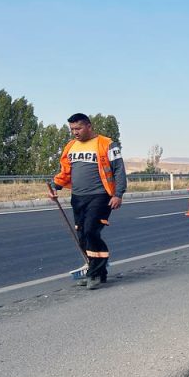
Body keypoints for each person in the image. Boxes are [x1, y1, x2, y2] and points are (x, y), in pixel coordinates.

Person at [48, 113, 127, 289]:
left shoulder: (106, 144)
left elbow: (119, 170)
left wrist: (118, 194)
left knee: (91, 231)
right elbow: (65, 171)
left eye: (78, 128)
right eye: (72, 129)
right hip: (78, 197)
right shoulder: (71, 146)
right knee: (82, 235)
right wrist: (55, 187)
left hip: (100, 196)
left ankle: (95, 273)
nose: (75, 132)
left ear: (89, 126)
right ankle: (98, 271)